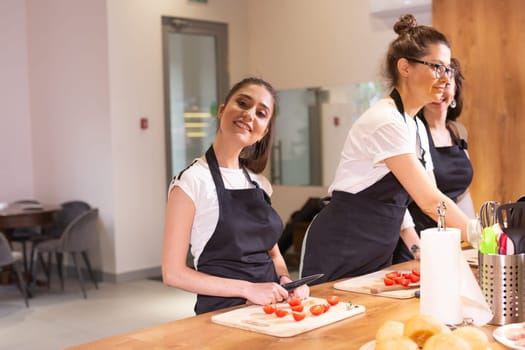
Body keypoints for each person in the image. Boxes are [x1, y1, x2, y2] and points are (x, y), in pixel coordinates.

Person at [300, 14, 470, 285]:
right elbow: (429, 201)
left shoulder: (413, 124)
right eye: (437, 67)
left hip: (377, 249)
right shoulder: (385, 120)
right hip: (341, 246)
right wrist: (479, 233)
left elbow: (404, 196)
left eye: (448, 69)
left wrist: (414, 243)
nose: (445, 78)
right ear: (405, 67)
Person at [162, 77, 309, 314]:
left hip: (271, 310)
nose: (249, 114)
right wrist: (248, 289)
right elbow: (173, 273)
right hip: (221, 313)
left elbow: (274, 254)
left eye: (261, 113)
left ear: (264, 132)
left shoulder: (260, 184)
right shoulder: (191, 182)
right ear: (221, 111)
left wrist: (285, 281)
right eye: (242, 103)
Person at [393, 58, 475, 263]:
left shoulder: (458, 131)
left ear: (455, 90)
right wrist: (415, 245)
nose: (440, 91)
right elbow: (399, 195)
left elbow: (462, 192)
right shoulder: (410, 131)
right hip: (414, 241)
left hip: (448, 238)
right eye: (434, 84)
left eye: (447, 84)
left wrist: (471, 234)